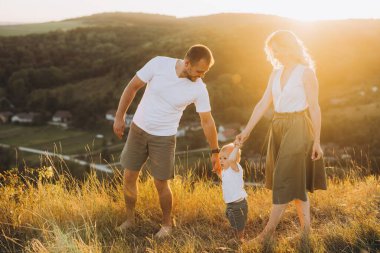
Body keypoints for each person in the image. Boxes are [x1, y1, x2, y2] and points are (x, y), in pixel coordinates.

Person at [113, 44, 221, 238]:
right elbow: (132, 87)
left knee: (161, 183)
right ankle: (129, 220)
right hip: (138, 130)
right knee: (129, 177)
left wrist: (215, 151)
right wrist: (120, 116)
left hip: (164, 137)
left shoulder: (199, 89)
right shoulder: (159, 64)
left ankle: (167, 225)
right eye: (199, 71)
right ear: (187, 63)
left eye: (205, 72)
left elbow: (207, 121)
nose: (202, 76)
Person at [235, 30, 327, 243]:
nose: (276, 55)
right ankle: (306, 233)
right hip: (277, 126)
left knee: (284, 179)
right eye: (273, 51)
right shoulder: (275, 73)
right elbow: (263, 102)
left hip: (298, 127)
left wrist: (317, 141)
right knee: (296, 182)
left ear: (290, 47)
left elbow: (315, 107)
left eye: (279, 50)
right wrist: (247, 131)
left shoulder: (306, 73)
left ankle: (266, 235)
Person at [215, 143, 248, 243]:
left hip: (238, 204)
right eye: (220, 158)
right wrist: (218, 173)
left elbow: (232, 159)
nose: (221, 160)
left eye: (225, 158)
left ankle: (240, 239)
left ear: (234, 159)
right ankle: (236, 235)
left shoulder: (236, 168)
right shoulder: (226, 170)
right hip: (230, 203)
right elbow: (225, 179)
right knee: (232, 218)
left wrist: (237, 147)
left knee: (238, 222)